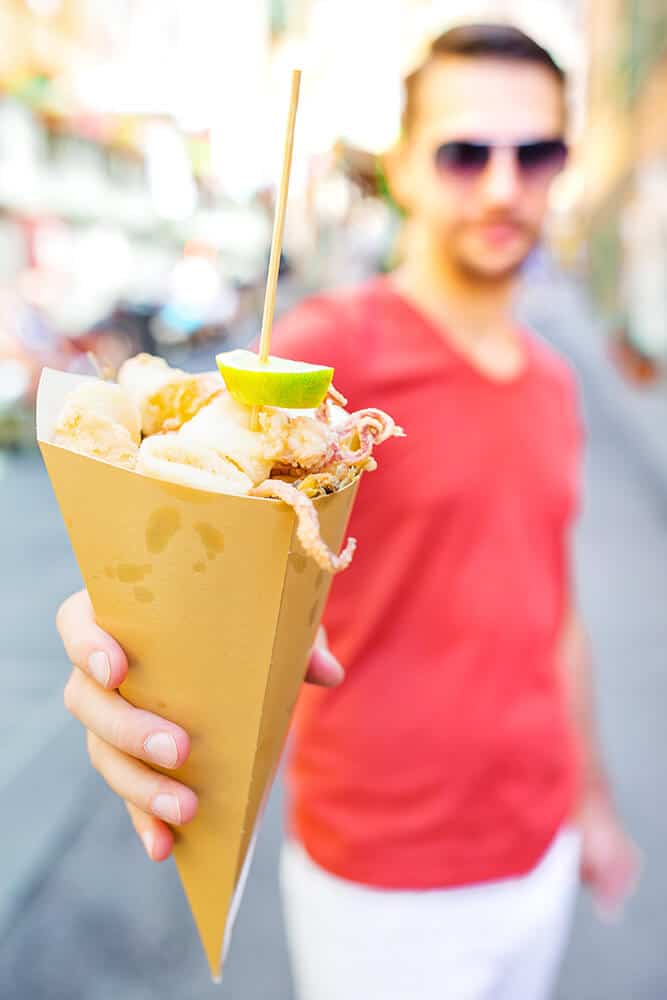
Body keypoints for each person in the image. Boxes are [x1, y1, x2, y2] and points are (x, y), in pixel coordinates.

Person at [57, 24, 640, 1000]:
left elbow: (553, 607)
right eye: (465, 152)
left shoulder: (553, 381)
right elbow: (176, 502)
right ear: (405, 168)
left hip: (536, 852)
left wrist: (591, 802)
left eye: (534, 153)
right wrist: (121, 653)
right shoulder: (318, 360)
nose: (503, 185)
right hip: (380, 888)